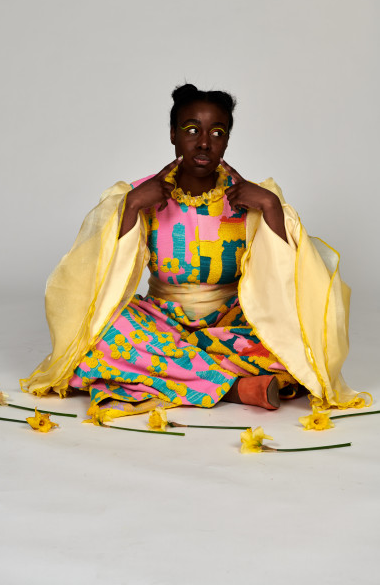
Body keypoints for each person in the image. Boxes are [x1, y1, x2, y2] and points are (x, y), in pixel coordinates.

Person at [20, 84, 369, 419]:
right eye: (191, 130)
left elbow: (288, 281)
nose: (204, 142)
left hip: (232, 321)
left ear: (227, 140)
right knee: (98, 336)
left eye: (217, 132)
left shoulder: (253, 197)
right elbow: (100, 275)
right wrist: (131, 207)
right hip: (161, 319)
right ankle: (235, 388)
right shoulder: (138, 194)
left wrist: (270, 206)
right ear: (173, 134)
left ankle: (177, 372)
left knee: (295, 343)